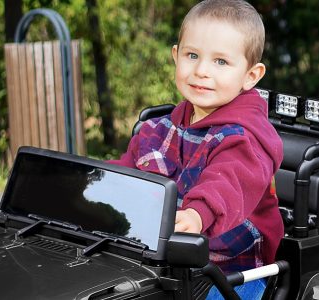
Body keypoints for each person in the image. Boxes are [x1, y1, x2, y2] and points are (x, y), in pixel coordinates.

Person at [108, 0, 284, 298]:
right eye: (192, 55)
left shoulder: (246, 138)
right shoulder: (157, 129)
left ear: (250, 76)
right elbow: (126, 174)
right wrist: (96, 190)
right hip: (167, 259)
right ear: (176, 56)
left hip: (233, 267)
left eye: (221, 62)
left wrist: (198, 214)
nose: (201, 70)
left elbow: (227, 182)